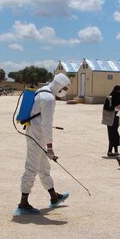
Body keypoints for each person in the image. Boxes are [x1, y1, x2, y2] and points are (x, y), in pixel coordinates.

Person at [13, 73, 71, 215]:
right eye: (65, 88)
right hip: (37, 136)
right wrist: (50, 147)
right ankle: (23, 204)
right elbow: (46, 124)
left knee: (43, 167)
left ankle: (54, 197)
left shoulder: (42, 90)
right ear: (59, 85)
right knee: (31, 167)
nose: (64, 91)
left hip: (34, 132)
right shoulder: (49, 99)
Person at [102, 85, 120, 156]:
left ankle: (116, 151)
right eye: (118, 91)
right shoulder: (109, 98)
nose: (119, 93)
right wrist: (114, 108)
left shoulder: (119, 99)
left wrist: (118, 119)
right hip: (110, 120)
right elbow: (106, 108)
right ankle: (109, 151)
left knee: (116, 135)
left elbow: (119, 110)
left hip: (116, 120)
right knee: (111, 135)